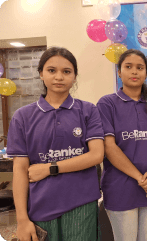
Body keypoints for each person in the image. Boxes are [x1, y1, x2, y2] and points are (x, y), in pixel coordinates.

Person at [7, 47, 104, 241]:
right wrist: (21, 219)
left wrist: (50, 168)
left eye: (66, 72)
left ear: (75, 76)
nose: (59, 77)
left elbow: (96, 155)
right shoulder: (22, 117)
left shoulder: (88, 110)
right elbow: (19, 169)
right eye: (52, 70)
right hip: (40, 206)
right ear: (41, 74)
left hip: (81, 205)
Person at [97, 49, 147, 241]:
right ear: (119, 72)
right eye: (128, 67)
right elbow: (109, 147)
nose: (134, 72)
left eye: (139, 68)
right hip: (121, 188)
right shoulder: (107, 104)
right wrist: (140, 178)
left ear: (146, 73)